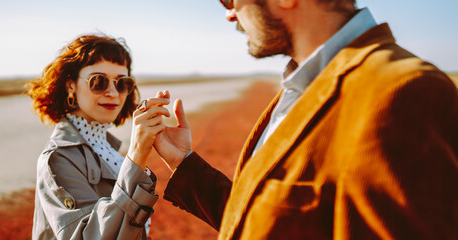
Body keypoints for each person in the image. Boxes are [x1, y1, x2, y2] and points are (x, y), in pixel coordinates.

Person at [153, 0, 458, 239]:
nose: (230, 15)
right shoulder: (301, 88)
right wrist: (184, 163)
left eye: (228, 0)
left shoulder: (400, 93)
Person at [27, 34, 170, 239]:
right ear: (71, 86)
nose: (113, 92)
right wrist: (138, 153)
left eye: (122, 83)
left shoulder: (107, 147)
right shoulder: (58, 159)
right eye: (98, 81)